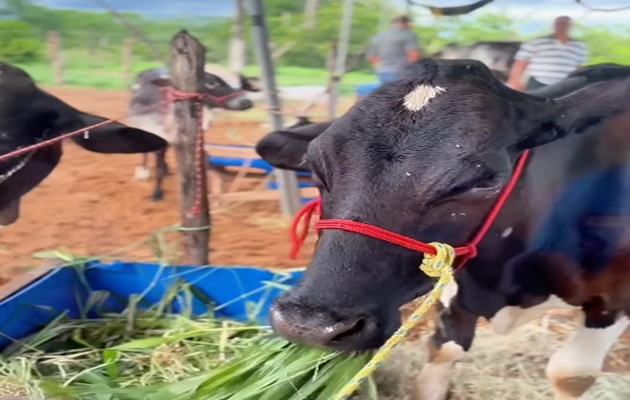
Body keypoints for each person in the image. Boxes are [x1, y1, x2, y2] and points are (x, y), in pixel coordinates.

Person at [507, 16, 588, 91]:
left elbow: (578, 67)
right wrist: (514, 82)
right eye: (559, 23)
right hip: (538, 83)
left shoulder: (579, 45)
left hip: (565, 84)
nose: (562, 26)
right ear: (554, 26)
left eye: (565, 24)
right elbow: (520, 62)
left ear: (571, 27)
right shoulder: (536, 42)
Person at [366, 15, 422, 84]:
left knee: (386, 93)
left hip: (382, 72)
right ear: (407, 23)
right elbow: (414, 57)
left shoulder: (378, 36)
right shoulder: (408, 34)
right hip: (403, 72)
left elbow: (371, 58)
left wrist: (385, 64)